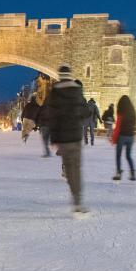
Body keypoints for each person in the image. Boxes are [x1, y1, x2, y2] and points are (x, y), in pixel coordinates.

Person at [49, 64, 90, 216]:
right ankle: (78, 201)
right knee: (76, 169)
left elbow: (51, 116)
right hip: (75, 136)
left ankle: (74, 196)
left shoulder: (55, 91)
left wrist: (54, 138)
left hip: (63, 138)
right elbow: (85, 111)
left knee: (69, 168)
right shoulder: (77, 90)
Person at [110, 95, 136, 181]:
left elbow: (118, 127)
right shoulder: (133, 112)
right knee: (128, 156)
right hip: (131, 136)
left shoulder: (121, 113)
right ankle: (133, 173)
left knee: (118, 155)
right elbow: (134, 124)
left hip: (122, 136)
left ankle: (118, 173)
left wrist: (114, 138)